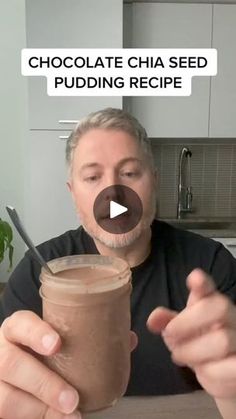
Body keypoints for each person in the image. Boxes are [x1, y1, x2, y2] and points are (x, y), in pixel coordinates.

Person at [0, 107, 236, 419]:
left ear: (154, 181)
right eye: (93, 177)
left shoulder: (212, 266)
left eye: (129, 173)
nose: (114, 195)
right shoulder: (37, 273)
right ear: (73, 194)